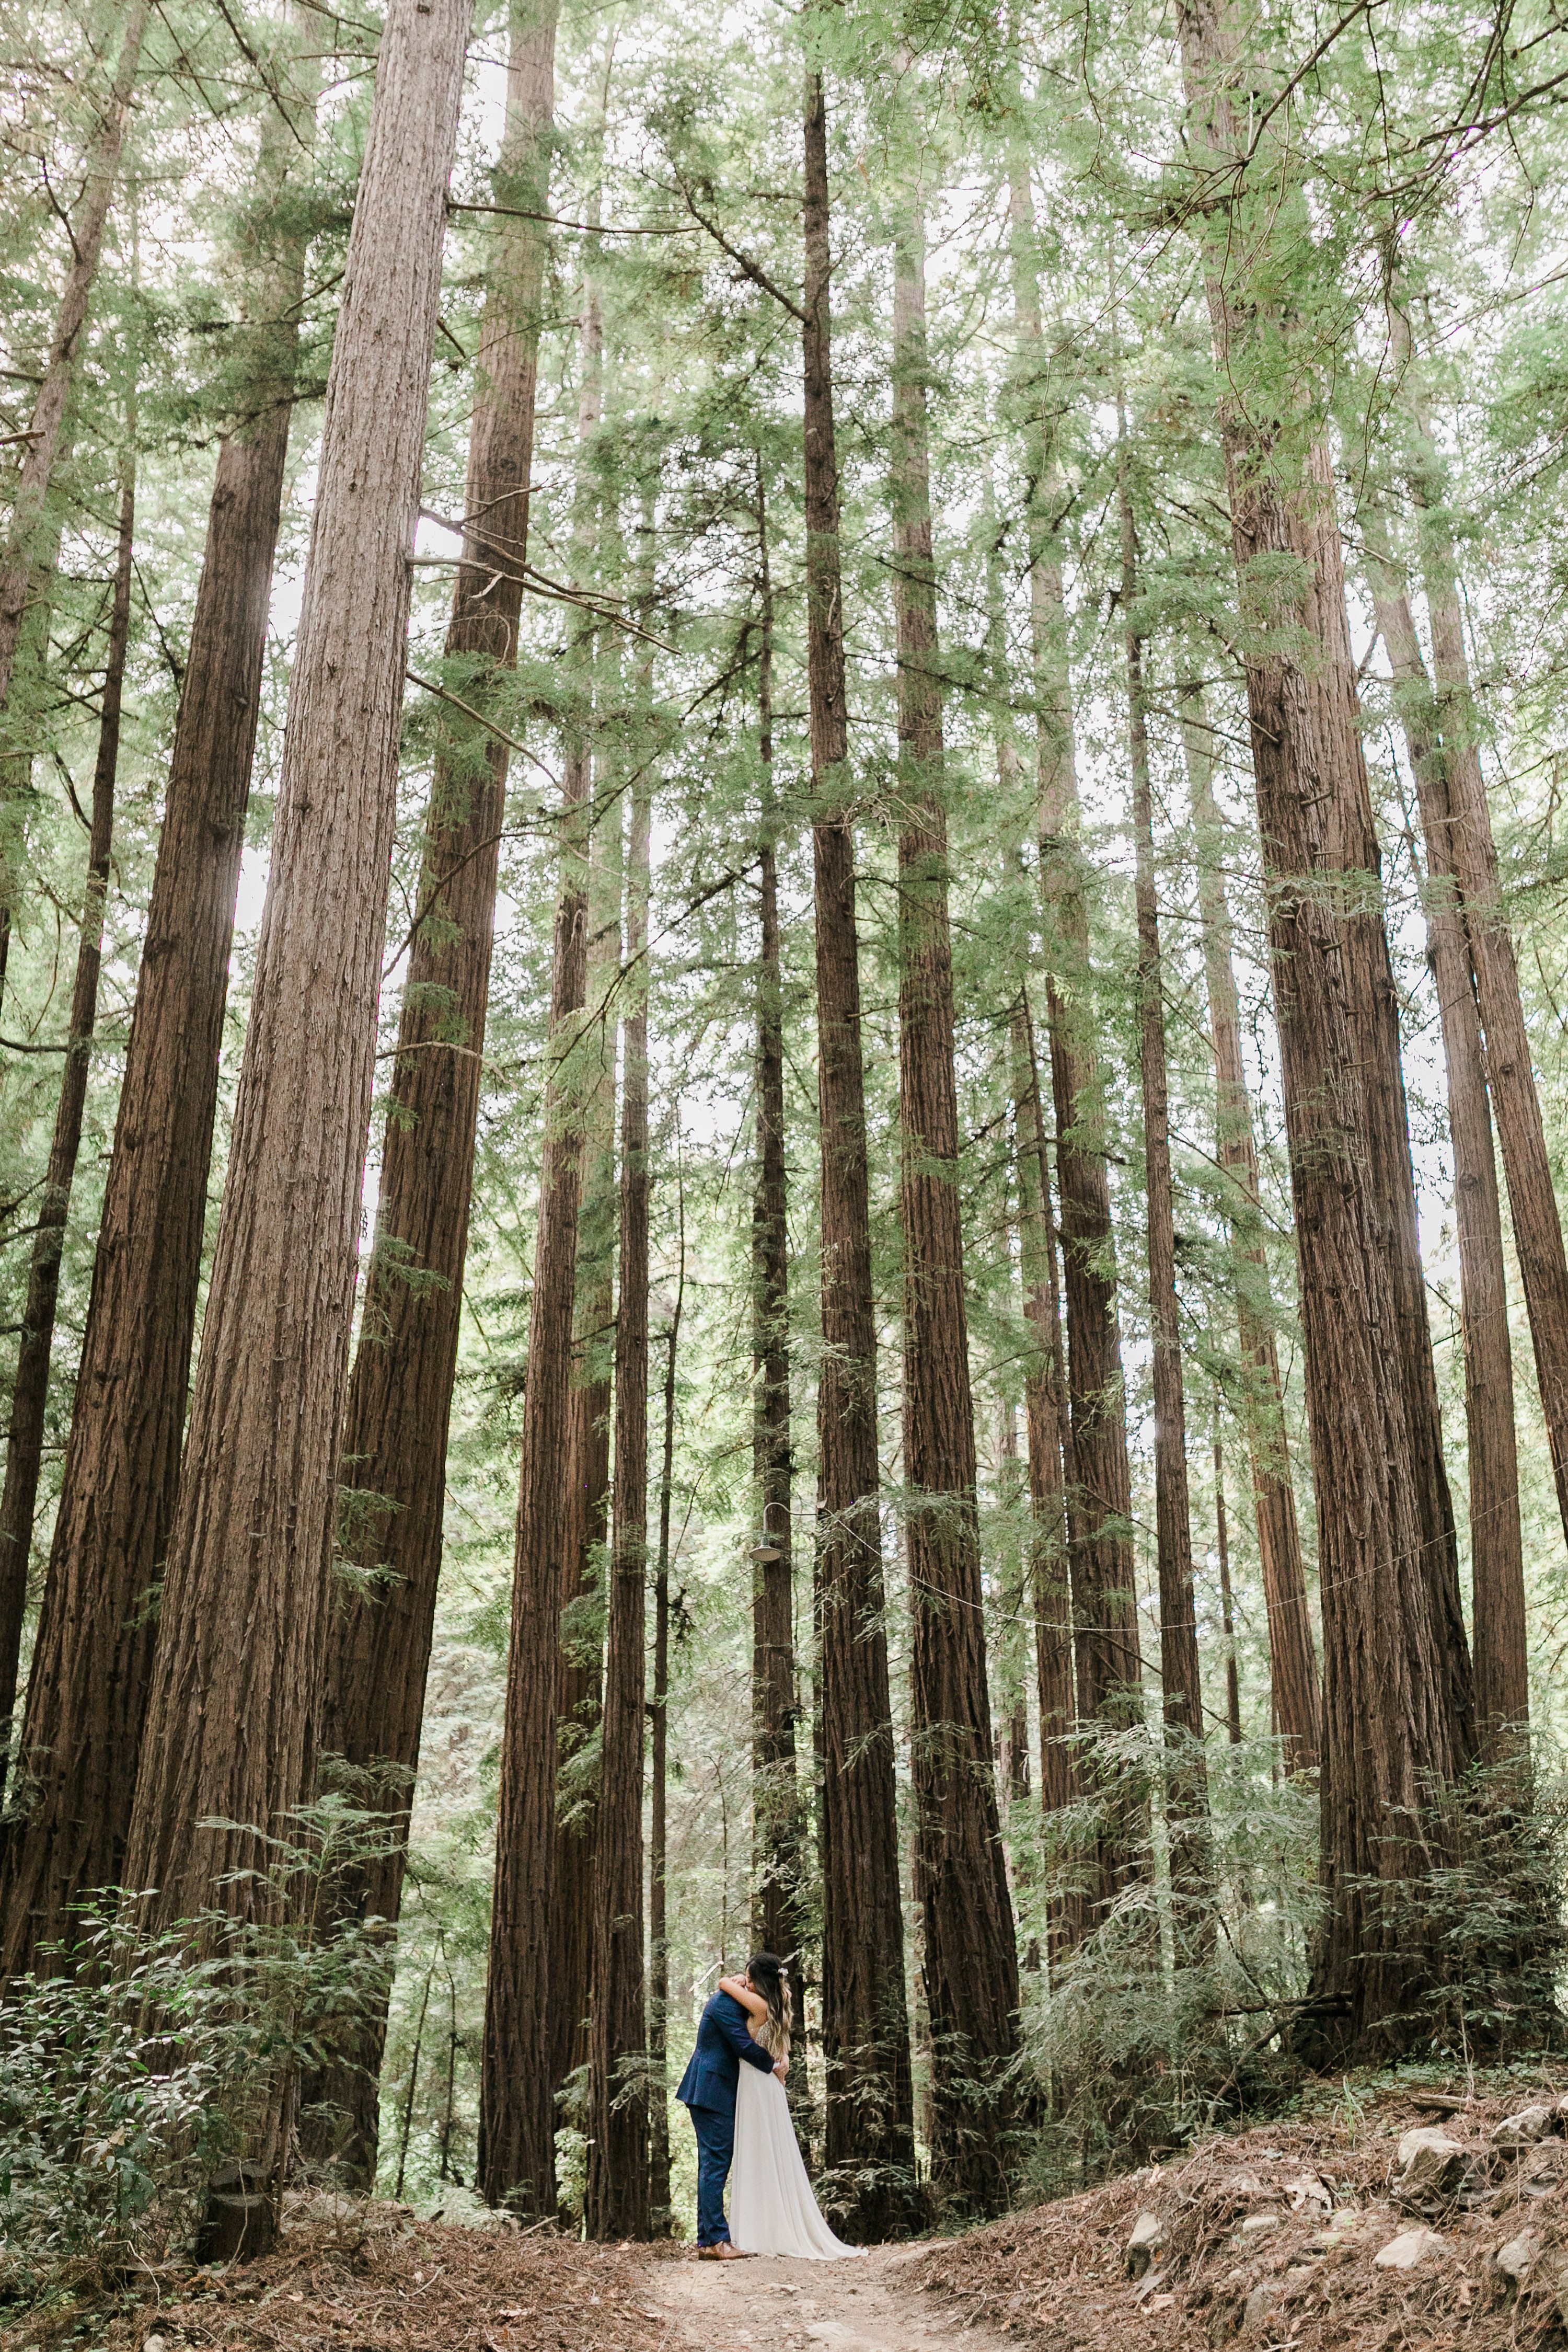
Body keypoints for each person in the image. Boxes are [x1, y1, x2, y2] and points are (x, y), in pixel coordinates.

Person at [716, 1955, 865, 2261]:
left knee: (757, 2152)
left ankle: (759, 2232)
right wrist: (782, 2063)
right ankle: (771, 2225)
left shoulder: (758, 2005)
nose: (748, 1982)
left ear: (760, 1980)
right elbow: (783, 2047)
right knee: (773, 2151)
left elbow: (722, 1984)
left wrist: (731, 1981)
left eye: (750, 1977)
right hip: (771, 2084)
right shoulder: (783, 2000)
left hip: (756, 2082)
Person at [675, 1954, 785, 2258]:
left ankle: (709, 2240)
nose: (747, 1983)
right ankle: (716, 2242)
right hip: (710, 2091)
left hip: (718, 2090)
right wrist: (773, 2065)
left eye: (750, 1979)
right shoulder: (725, 2003)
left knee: (714, 2164)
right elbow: (742, 2045)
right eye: (745, 1979)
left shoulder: (742, 1999)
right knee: (715, 2165)